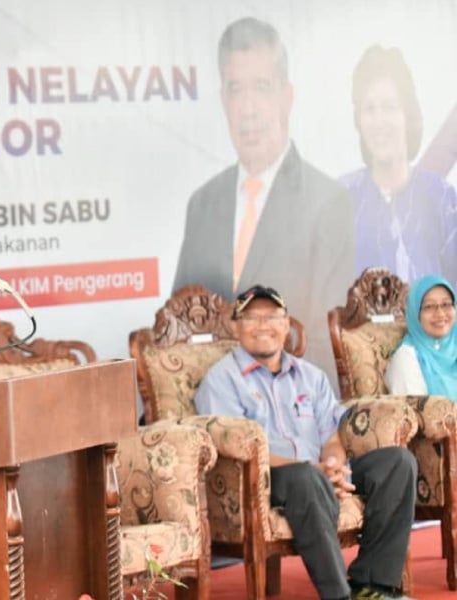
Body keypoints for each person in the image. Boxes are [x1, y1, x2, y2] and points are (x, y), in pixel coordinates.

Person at [194, 285, 416, 600]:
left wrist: (335, 467)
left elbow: (330, 438)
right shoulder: (222, 380)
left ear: (286, 325)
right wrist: (314, 471)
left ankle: (373, 586)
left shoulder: (311, 376)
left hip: (316, 473)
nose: (263, 326)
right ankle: (338, 596)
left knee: (398, 463)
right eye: (251, 318)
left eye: (272, 317)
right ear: (235, 326)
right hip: (266, 479)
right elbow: (234, 449)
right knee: (306, 479)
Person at [172, 16, 355, 389]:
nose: (248, 107)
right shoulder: (202, 205)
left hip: (291, 420)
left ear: (286, 97)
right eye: (236, 89)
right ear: (223, 101)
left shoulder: (328, 202)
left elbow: (326, 345)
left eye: (261, 87)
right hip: (208, 421)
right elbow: (176, 329)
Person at [340, 45, 457, 284]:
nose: (379, 121)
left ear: (408, 114)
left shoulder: (443, 201)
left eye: (390, 107)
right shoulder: (340, 202)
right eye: (369, 109)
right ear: (358, 121)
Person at [385, 274, 456, 398]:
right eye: (429, 307)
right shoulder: (406, 358)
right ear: (415, 314)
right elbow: (414, 413)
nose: (440, 313)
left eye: (446, 304)